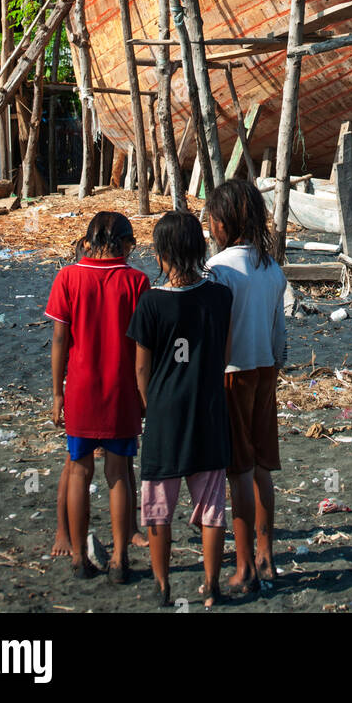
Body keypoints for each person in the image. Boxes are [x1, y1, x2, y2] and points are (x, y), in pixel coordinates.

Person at [128, 211, 233, 608]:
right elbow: (223, 353)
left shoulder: (151, 303)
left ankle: (162, 585)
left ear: (161, 254)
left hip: (165, 413)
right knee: (211, 505)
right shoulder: (220, 296)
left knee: (158, 507)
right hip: (208, 409)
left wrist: (148, 404)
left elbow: (141, 366)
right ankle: (211, 584)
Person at [45, 212, 149, 581]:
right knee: (118, 472)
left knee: (78, 469)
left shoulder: (68, 277)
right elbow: (142, 347)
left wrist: (57, 392)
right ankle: (120, 558)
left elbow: (60, 340)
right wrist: (143, 394)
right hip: (121, 390)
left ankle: (78, 556)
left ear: (88, 241)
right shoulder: (136, 281)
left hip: (81, 390)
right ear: (125, 244)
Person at [207, 178, 287, 595]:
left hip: (231, 373)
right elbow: (280, 334)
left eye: (212, 218)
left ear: (225, 222)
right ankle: (267, 555)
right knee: (260, 467)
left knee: (236, 469)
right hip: (266, 370)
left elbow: (214, 334)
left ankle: (242, 567)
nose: (209, 225)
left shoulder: (218, 271)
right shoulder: (271, 268)